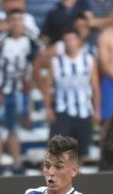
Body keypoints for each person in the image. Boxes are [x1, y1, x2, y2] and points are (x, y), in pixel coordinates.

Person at [0, 8, 38, 173]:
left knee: (14, 126)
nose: (17, 23)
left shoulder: (30, 39)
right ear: (8, 23)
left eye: (20, 20)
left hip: (19, 89)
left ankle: (16, 161)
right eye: (14, 20)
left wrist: (30, 79)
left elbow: (40, 59)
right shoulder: (0, 39)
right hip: (1, 88)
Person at [38, 27, 100, 158]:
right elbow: (48, 87)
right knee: (58, 151)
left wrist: (97, 110)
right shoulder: (56, 62)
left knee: (81, 152)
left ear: (78, 41)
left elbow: (95, 87)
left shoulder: (88, 60)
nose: (69, 43)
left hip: (84, 110)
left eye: (72, 39)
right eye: (66, 40)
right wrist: (48, 108)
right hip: (62, 111)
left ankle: (77, 177)